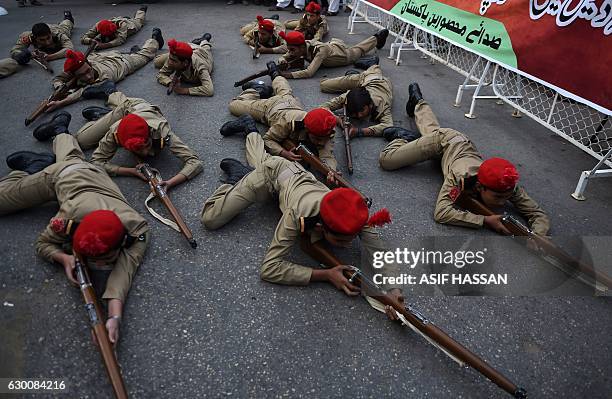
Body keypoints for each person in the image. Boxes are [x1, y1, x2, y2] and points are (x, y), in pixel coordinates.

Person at [200, 132, 403, 319]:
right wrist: (325, 275)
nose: (346, 245)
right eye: (339, 240)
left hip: (297, 177)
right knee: (211, 218)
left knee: (259, 156)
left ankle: (252, 134)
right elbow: (269, 268)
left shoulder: (355, 216)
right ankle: (235, 180)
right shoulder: (299, 212)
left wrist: (394, 292)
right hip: (272, 175)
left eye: (351, 238)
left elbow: (381, 253)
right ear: (322, 227)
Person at [1, 134, 149, 344]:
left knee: (68, 149)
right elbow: (43, 243)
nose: (97, 265)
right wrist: (63, 258)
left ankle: (60, 135)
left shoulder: (136, 227)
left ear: (122, 241)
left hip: (92, 171)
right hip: (59, 176)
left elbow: (125, 268)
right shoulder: (68, 217)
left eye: (103, 260)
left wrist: (115, 317)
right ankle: (26, 171)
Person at [379, 83, 550, 236]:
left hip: (458, 147)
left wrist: (538, 236)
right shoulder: (461, 176)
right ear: (479, 186)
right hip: (444, 142)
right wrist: (484, 220)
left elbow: (537, 213)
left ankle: (418, 102)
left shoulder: (506, 183)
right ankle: (402, 137)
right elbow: (442, 212)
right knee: (387, 160)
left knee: (430, 129)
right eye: (498, 197)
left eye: (506, 197)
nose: (504, 202)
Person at [33, 87, 203, 191]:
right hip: (124, 110)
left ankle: (102, 110)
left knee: (84, 140)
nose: (144, 152)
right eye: (136, 150)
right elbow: (96, 161)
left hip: (139, 107)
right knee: (81, 141)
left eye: (145, 145)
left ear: (150, 135)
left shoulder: (161, 131)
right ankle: (96, 114)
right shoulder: (115, 133)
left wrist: (170, 183)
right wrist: (129, 171)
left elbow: (194, 162)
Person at [222, 63, 338, 171]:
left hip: (291, 102)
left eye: (324, 139)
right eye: (317, 139)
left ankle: (274, 73)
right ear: (307, 129)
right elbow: (268, 139)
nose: (322, 143)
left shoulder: (326, 129)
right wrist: (283, 152)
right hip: (271, 108)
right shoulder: (288, 123)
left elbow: (327, 155)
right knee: (234, 105)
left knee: (284, 89)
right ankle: (257, 90)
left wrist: (331, 171)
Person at [45, 28, 164, 112]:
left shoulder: (104, 77)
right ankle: (133, 52)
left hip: (124, 63)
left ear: (90, 65)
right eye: (82, 75)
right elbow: (58, 78)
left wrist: (61, 102)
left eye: (88, 71)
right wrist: (59, 87)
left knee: (146, 55)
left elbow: (81, 92)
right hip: (105, 57)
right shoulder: (78, 66)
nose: (88, 77)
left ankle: (154, 39)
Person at [277, 29, 388, 79]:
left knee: (359, 50)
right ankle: (376, 39)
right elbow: (284, 56)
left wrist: (287, 75)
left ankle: (377, 38)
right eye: (289, 49)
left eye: (292, 50)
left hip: (344, 55)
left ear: (301, 47)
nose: (290, 52)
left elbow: (309, 72)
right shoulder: (300, 46)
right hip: (332, 47)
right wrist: (282, 61)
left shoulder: (319, 51)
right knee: (357, 47)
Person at [319, 64, 393, 138]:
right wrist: (338, 120)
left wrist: (359, 131)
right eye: (356, 112)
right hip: (364, 78)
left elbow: (388, 126)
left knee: (375, 67)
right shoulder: (348, 96)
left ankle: (369, 63)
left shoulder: (382, 104)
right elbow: (323, 107)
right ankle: (357, 73)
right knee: (324, 85)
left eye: (362, 110)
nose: (359, 115)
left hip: (376, 77)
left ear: (370, 105)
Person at [0, 11, 74, 78]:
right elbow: (15, 50)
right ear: (35, 38)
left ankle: (68, 18)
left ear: (51, 34)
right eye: (42, 40)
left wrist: (50, 57)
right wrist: (23, 54)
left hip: (57, 28)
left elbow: (69, 49)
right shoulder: (27, 36)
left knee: (66, 26)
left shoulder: (57, 33)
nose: (47, 42)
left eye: (48, 38)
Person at [81, 6, 147, 50]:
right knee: (99, 37)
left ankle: (141, 11)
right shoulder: (98, 25)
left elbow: (120, 40)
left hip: (129, 24)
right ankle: (126, 17)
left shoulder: (122, 25)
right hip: (117, 20)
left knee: (139, 21)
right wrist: (91, 40)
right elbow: (83, 38)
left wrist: (104, 45)